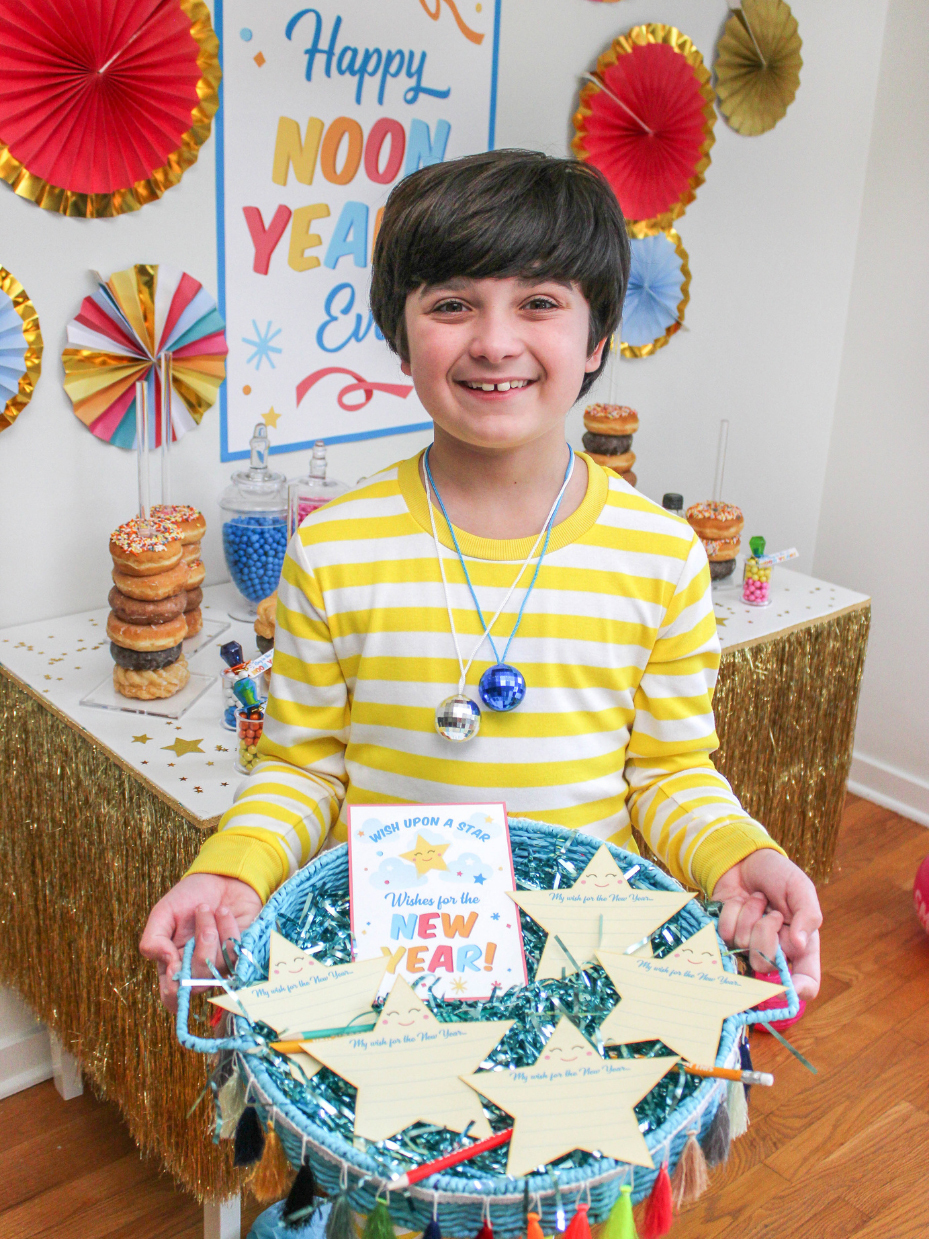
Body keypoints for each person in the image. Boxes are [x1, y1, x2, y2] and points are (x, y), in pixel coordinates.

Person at [141, 150, 821, 1011]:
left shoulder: (662, 556)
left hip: (589, 973)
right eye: (452, 304)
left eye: (540, 303)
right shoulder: (333, 547)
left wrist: (738, 854)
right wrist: (230, 867)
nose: (494, 341)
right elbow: (304, 764)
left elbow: (668, 771)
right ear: (400, 333)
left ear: (597, 337)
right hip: (389, 980)